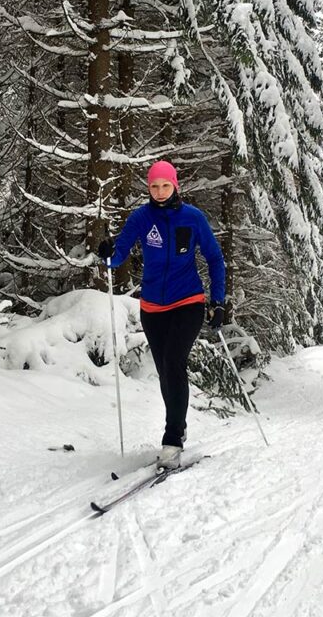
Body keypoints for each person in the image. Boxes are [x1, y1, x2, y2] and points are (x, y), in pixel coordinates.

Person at [97, 161, 226, 470]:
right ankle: (177, 427)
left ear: (175, 185)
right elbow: (118, 255)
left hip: (188, 301)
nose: (159, 191)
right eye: (154, 186)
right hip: (153, 308)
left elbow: (215, 258)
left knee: (174, 362)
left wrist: (218, 301)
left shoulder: (193, 218)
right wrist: (107, 252)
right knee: (165, 373)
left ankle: (172, 439)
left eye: (165, 185)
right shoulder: (142, 217)